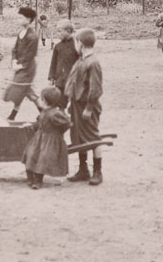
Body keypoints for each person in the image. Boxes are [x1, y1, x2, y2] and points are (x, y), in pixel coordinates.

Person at [64, 28, 104, 186]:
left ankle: (97, 171)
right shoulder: (81, 60)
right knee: (78, 137)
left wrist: (89, 108)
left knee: (93, 137)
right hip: (76, 104)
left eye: (75, 42)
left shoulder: (93, 63)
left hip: (88, 106)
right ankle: (83, 169)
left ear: (80, 43)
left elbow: (96, 89)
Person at [22, 87, 71, 190]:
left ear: (46, 100)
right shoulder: (44, 111)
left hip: (50, 141)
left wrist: (59, 133)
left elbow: (67, 123)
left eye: (42, 99)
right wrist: (31, 126)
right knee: (30, 154)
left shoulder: (55, 114)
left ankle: (38, 180)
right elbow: (39, 123)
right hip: (39, 138)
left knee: (43, 158)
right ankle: (30, 178)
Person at [5, 7, 40, 121]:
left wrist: (20, 65)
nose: (18, 20)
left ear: (28, 19)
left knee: (20, 89)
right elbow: (15, 49)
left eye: (21, 18)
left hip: (27, 67)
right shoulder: (21, 33)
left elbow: (30, 54)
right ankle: (44, 111)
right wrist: (14, 61)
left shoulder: (32, 36)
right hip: (19, 65)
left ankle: (12, 115)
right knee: (28, 91)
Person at [47, 19, 79, 94]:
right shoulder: (57, 46)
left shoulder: (77, 45)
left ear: (68, 31)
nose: (57, 34)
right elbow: (53, 63)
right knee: (60, 102)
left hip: (72, 82)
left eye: (59, 31)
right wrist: (51, 77)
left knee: (72, 103)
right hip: (60, 81)